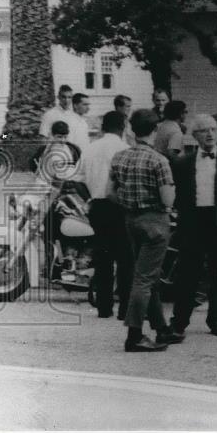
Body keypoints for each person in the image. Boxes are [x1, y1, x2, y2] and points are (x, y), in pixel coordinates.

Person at [168, 114, 217, 338]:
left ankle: (216, 319)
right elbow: (180, 196)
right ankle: (179, 321)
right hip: (194, 223)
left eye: (213, 129)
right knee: (187, 274)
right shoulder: (183, 163)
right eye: (204, 130)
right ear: (195, 136)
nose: (210, 134)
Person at [108, 109, 179, 352]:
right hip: (155, 221)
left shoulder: (120, 157)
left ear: (132, 130)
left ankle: (161, 327)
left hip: (131, 220)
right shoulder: (159, 160)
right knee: (145, 279)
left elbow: (110, 193)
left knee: (147, 274)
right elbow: (167, 198)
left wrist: (130, 202)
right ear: (155, 130)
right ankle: (135, 334)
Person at [79, 111, 132, 319]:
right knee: (126, 258)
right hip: (119, 206)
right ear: (123, 127)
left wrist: (90, 198)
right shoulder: (126, 149)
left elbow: (77, 180)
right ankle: (125, 308)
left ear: (103, 127)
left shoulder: (90, 149)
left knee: (102, 257)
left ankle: (104, 306)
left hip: (98, 206)